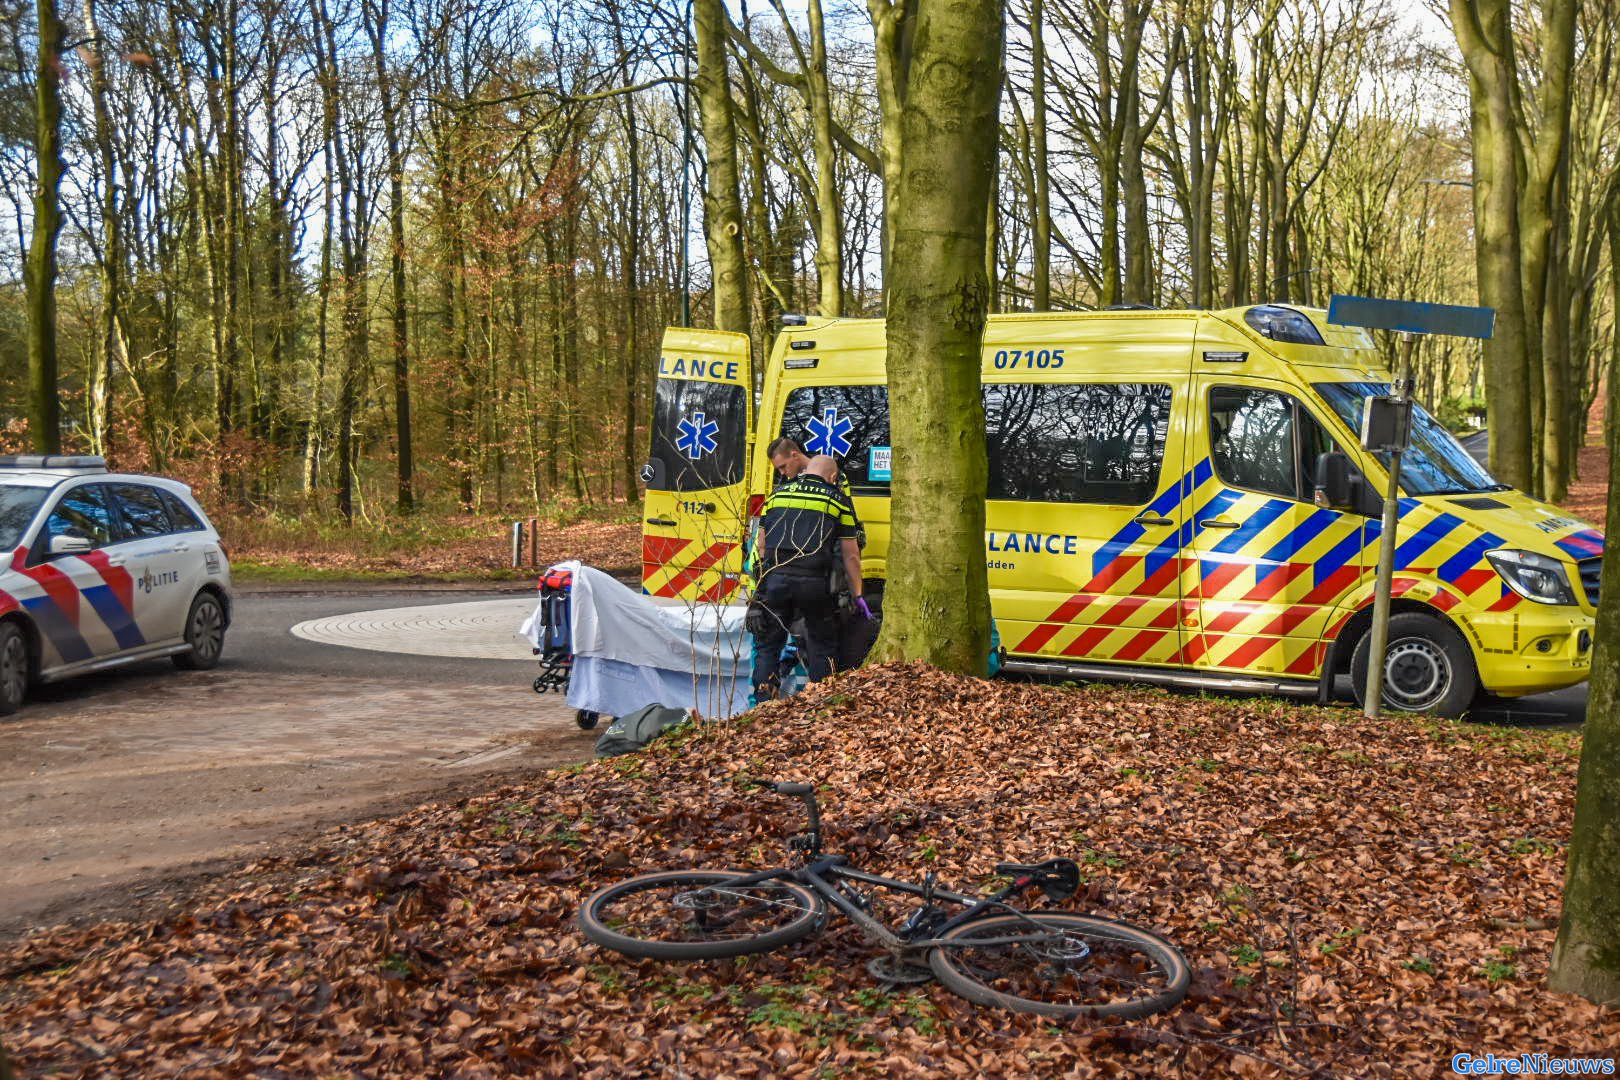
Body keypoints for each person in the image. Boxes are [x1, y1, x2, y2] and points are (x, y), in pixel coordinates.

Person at [749, 455, 870, 699]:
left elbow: (761, 545)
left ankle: (764, 704)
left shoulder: (777, 495)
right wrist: (858, 595)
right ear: (833, 477)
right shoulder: (838, 500)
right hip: (814, 583)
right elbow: (851, 555)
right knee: (822, 644)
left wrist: (759, 588)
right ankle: (820, 701)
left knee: (768, 645)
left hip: (775, 578)